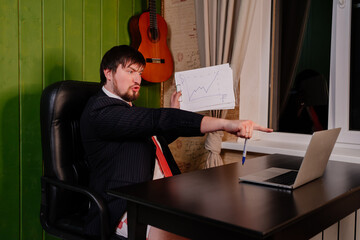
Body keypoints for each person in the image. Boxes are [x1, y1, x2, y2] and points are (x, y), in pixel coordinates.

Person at [80, 45, 273, 239]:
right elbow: (156, 120)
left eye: (140, 73)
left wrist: (173, 115)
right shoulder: (99, 111)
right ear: (108, 73)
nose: (138, 79)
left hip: (162, 194)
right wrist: (225, 124)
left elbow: (153, 140)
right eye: (130, 71)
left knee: (227, 214)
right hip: (124, 204)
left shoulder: (126, 108)